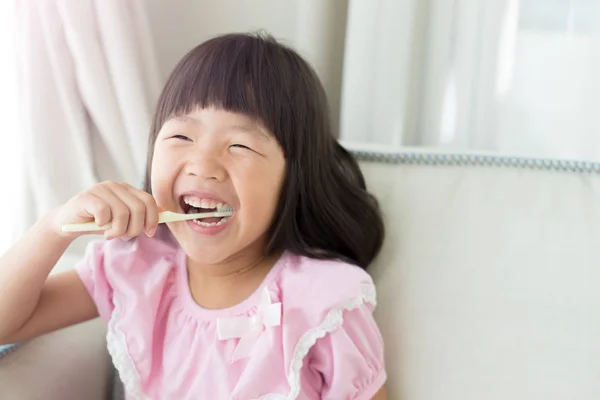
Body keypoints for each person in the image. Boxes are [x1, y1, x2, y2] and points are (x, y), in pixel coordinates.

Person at [0, 33, 387, 399]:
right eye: (181, 137)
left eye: (239, 145)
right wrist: (54, 228)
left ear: (293, 178)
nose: (203, 166)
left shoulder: (326, 302)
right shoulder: (137, 268)